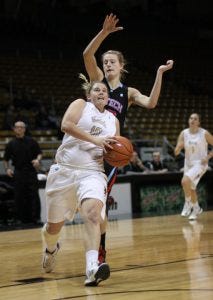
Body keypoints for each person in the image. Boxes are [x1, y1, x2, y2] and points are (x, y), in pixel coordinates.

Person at [83, 13, 174, 263]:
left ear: (121, 66)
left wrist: (159, 73)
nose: (108, 65)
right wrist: (104, 33)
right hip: (88, 148)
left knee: (98, 207)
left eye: (112, 61)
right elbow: (86, 56)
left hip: (110, 155)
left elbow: (152, 103)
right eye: (106, 62)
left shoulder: (128, 92)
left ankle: (99, 252)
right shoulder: (97, 83)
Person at [41, 77, 119, 286]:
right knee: (52, 228)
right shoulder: (81, 105)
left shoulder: (113, 120)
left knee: (93, 214)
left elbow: (115, 150)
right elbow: (66, 125)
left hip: (92, 172)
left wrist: (119, 153)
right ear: (89, 94)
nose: (101, 92)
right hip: (65, 170)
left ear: (108, 97)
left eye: (104, 90)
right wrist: (96, 140)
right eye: (96, 90)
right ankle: (51, 248)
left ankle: (92, 268)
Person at [174, 113, 213, 220]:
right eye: (191, 118)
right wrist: (178, 148)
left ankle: (188, 204)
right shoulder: (184, 133)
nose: (193, 120)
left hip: (200, 163)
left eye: (195, 119)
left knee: (184, 181)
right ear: (188, 120)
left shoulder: (204, 133)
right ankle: (196, 208)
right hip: (188, 163)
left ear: (199, 122)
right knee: (191, 188)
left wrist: (208, 156)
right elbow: (176, 152)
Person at [3, 121, 42, 224]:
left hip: (31, 171)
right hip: (18, 172)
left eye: (21, 127)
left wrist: (37, 160)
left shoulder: (32, 141)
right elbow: (6, 159)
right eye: (17, 127)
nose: (19, 129)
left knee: (34, 195)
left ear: (24, 129)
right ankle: (20, 219)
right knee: (19, 196)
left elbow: (39, 153)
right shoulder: (11, 144)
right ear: (14, 129)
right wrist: (7, 169)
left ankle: (36, 218)